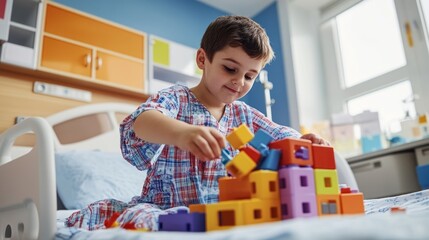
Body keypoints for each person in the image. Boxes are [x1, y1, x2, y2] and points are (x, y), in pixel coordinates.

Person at [65, 15, 328, 231]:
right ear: (203, 60)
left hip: (225, 212)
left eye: (250, 76)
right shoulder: (177, 98)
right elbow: (143, 121)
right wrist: (182, 133)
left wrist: (303, 140)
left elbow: (279, 133)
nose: (239, 82)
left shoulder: (244, 115)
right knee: (144, 221)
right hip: (165, 207)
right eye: (230, 69)